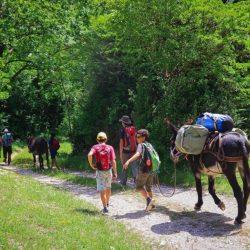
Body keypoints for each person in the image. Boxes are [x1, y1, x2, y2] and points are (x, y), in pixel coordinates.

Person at [123, 129, 155, 211]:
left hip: (144, 169)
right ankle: (151, 205)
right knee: (149, 187)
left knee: (138, 186)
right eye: (136, 137)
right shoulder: (150, 145)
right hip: (152, 169)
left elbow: (137, 154)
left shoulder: (141, 145)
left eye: (138, 137)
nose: (137, 138)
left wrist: (128, 161)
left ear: (144, 137)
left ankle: (149, 200)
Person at [88, 132, 117, 213]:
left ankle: (105, 208)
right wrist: (115, 173)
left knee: (102, 189)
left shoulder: (95, 147)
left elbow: (89, 155)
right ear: (106, 139)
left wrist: (91, 165)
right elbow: (113, 161)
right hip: (108, 171)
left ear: (97, 140)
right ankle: (107, 203)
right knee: (108, 187)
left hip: (100, 171)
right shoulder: (110, 147)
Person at [119, 115, 138, 186]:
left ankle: (123, 182)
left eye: (122, 122)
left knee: (125, 166)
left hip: (125, 152)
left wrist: (120, 154)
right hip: (133, 151)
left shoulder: (122, 130)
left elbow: (121, 143)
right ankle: (137, 182)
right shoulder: (134, 129)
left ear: (124, 123)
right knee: (135, 166)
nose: (121, 123)